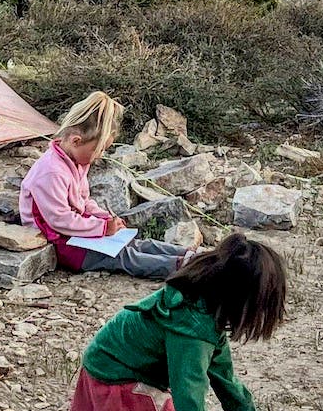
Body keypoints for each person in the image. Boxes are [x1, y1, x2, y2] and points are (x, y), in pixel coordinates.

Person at [66, 233, 288, 411]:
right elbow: (189, 393)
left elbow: (222, 373)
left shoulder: (209, 310)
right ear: (239, 297)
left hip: (130, 369)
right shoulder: (191, 326)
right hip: (113, 374)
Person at [20, 92, 196, 279]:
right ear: (76, 141)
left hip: (75, 232)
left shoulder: (75, 161)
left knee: (134, 243)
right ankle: (184, 269)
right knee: (123, 256)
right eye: (99, 149)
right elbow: (60, 220)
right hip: (61, 242)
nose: (100, 155)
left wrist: (104, 218)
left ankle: (194, 257)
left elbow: (83, 200)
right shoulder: (51, 172)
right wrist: (102, 228)